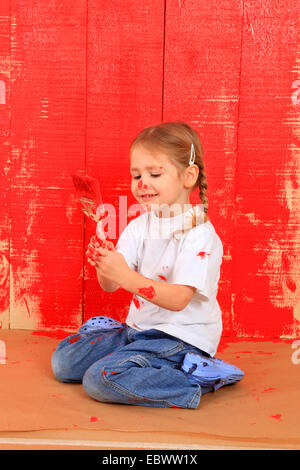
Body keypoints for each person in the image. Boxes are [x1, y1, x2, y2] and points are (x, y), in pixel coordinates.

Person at [51, 121, 244, 409]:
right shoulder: (138, 226)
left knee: (101, 380)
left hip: (180, 338)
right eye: (136, 174)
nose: (142, 183)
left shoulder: (199, 233)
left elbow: (179, 300)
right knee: (63, 362)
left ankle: (196, 378)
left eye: (154, 173)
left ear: (188, 176)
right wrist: (105, 264)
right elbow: (111, 285)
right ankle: (125, 347)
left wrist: (125, 275)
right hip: (138, 330)